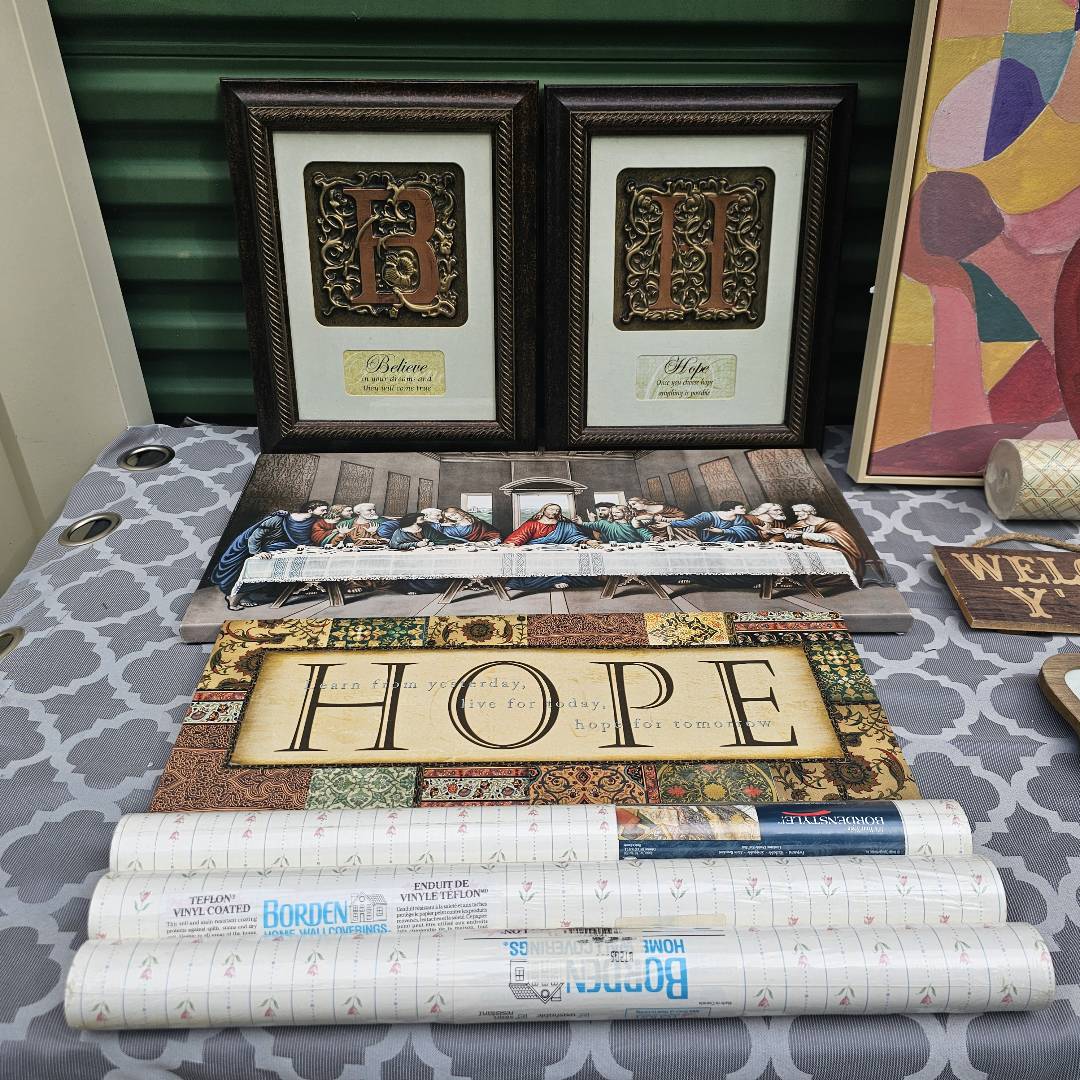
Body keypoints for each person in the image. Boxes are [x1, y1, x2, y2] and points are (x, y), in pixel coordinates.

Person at [211, 500, 330, 609]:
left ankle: (245, 596)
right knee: (258, 569)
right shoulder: (279, 519)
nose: (326, 512)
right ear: (310, 510)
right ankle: (234, 598)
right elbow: (256, 536)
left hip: (280, 548)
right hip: (253, 548)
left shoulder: (314, 522)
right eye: (323, 510)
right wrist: (258, 552)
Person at [503, 503, 593, 592]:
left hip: (559, 551)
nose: (555, 512)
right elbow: (520, 535)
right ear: (543, 510)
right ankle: (521, 583)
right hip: (537, 553)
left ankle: (559, 579)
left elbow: (575, 535)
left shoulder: (564, 524)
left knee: (563, 560)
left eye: (557, 510)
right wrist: (513, 543)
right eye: (551, 509)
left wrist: (587, 541)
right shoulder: (532, 524)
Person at [789, 503, 864, 576]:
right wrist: (790, 534)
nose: (795, 514)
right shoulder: (800, 524)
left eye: (798, 511)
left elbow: (832, 539)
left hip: (831, 550)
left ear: (807, 512)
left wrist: (804, 534)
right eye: (795, 512)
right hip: (812, 551)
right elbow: (791, 532)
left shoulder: (831, 524)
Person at [662, 501, 760, 544]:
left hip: (734, 546)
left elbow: (747, 530)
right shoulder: (708, 516)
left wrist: (722, 531)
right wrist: (671, 523)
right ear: (731, 509)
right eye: (741, 508)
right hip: (711, 544)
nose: (744, 509)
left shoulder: (739, 518)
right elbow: (690, 522)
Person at [323, 502, 393, 548]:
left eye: (374, 510)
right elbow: (332, 544)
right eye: (369, 510)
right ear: (358, 512)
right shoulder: (345, 524)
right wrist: (341, 534)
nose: (373, 512)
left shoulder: (382, 523)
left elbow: (386, 542)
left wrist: (374, 533)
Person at [575, 504, 652, 544]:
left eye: (617, 512)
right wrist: (580, 522)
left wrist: (652, 538)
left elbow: (644, 532)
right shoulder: (605, 523)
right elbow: (590, 525)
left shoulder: (633, 523)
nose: (614, 514)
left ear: (625, 513)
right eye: (612, 512)